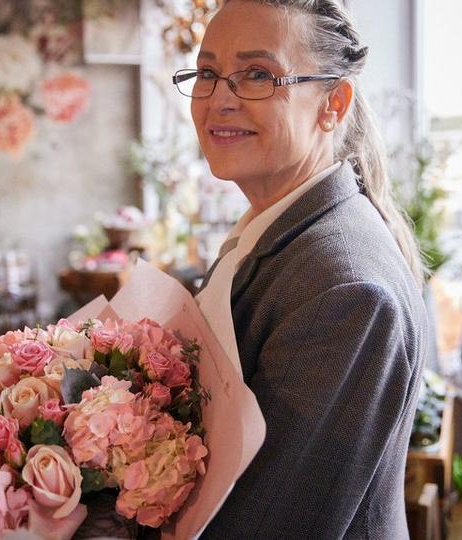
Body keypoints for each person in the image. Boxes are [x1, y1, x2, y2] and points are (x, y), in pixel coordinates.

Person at [175, 0, 428, 537]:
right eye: (207, 72)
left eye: (258, 74)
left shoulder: (346, 292)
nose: (220, 98)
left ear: (332, 104)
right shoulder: (271, 228)